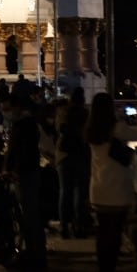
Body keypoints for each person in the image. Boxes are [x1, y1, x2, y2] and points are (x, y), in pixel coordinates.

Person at [86, 92, 137, 272]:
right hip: (117, 190)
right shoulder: (116, 128)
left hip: (98, 189)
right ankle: (110, 266)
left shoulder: (91, 130)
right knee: (115, 234)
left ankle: (103, 266)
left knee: (103, 232)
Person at [1, 94, 46, 270]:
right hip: (27, 173)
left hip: (26, 175)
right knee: (28, 217)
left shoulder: (24, 125)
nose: (6, 112)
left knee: (30, 218)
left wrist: (13, 170)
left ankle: (36, 257)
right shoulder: (26, 123)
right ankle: (33, 254)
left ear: (17, 107)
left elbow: (20, 151)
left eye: (8, 109)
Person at [55, 89, 91, 239]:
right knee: (80, 192)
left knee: (65, 191)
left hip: (63, 154)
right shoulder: (85, 113)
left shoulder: (62, 112)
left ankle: (64, 226)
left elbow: (59, 130)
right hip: (80, 153)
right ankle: (79, 225)